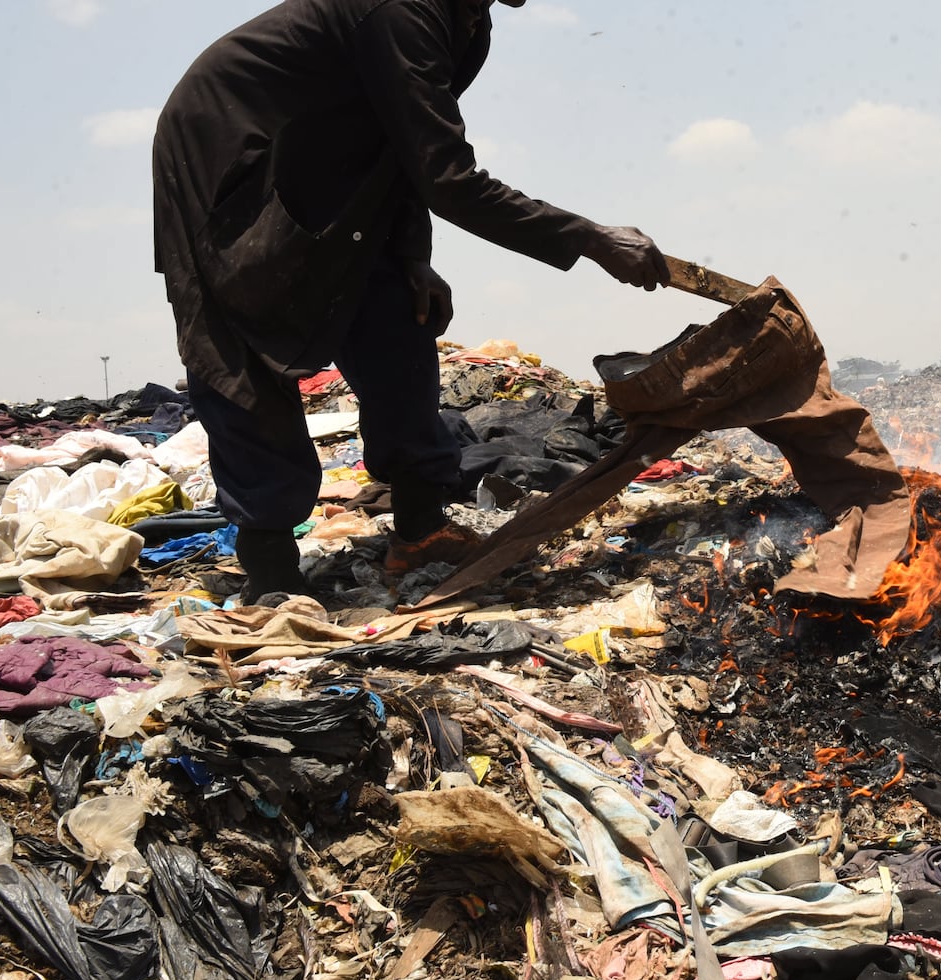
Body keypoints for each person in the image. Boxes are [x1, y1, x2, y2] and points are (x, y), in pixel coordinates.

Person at [152, 0, 669, 601]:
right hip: (229, 147)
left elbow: (404, 145)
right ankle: (270, 566)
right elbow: (446, 176)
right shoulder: (404, 8)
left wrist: (411, 255)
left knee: (400, 310)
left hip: (334, 163)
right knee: (242, 343)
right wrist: (588, 236)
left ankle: (420, 528)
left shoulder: (467, 19)